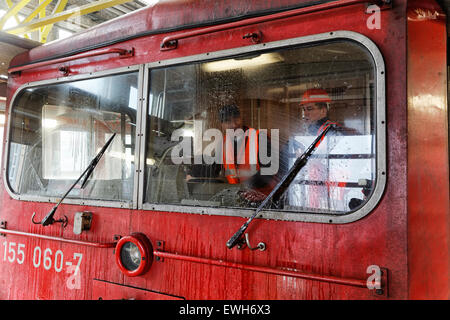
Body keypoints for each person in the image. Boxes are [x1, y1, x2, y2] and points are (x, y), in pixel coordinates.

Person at [218, 104, 275, 205]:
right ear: (221, 124)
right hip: (236, 199)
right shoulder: (224, 142)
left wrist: (247, 184)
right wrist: (194, 173)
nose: (234, 125)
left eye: (236, 119)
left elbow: (269, 171)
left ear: (241, 118)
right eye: (227, 121)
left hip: (263, 201)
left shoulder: (259, 137)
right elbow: (213, 165)